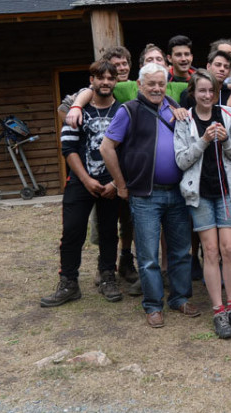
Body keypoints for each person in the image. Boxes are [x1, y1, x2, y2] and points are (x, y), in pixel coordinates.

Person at [100, 62, 201, 328]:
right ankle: (153, 305)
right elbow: (107, 148)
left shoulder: (174, 108)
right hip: (145, 195)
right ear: (140, 85)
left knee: (181, 252)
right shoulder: (129, 111)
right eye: (151, 84)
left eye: (161, 83)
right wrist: (121, 184)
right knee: (147, 257)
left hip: (178, 193)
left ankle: (179, 299)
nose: (157, 88)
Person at [41, 60, 123, 308]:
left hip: (111, 185)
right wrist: (86, 179)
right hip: (80, 181)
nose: (105, 82)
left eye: (110, 78)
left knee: (109, 232)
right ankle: (68, 283)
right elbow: (68, 148)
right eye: (101, 78)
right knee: (72, 232)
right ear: (92, 81)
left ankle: (108, 276)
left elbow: (128, 149)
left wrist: (116, 183)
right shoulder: (78, 112)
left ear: (115, 82)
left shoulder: (123, 111)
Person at [173, 70, 231, 339]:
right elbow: (181, 161)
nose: (207, 96)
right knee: (211, 250)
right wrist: (204, 141)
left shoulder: (229, 116)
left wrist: (225, 139)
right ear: (193, 93)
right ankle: (218, 310)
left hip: (228, 192)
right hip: (199, 194)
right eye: (201, 91)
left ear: (217, 93)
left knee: (229, 249)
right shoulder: (184, 120)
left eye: (211, 91)